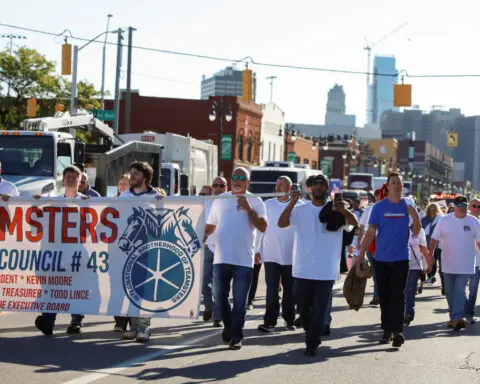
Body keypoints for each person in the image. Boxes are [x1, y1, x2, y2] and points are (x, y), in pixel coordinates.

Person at [278, 174, 357, 356]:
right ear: (310, 188)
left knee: (320, 310)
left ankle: (312, 342)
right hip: (302, 269)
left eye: (323, 184)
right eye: (315, 184)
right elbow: (281, 223)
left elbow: (354, 224)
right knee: (303, 308)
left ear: (327, 189)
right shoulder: (300, 209)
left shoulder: (336, 210)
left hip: (326, 270)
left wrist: (343, 210)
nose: (319, 186)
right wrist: (292, 202)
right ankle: (310, 331)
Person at [205, 167, 267, 350]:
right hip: (221, 256)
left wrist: (248, 209)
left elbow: (263, 227)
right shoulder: (221, 199)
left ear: (248, 182)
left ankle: (236, 335)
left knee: (240, 300)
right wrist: (201, 236)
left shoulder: (256, 200)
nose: (237, 180)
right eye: (234, 177)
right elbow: (211, 225)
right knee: (219, 297)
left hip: (243, 260)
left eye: (242, 177)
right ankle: (229, 326)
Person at [358, 172, 421, 348]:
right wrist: (361, 253)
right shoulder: (378, 208)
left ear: (402, 186)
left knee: (398, 295)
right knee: (385, 297)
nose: (396, 186)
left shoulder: (407, 206)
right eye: (393, 183)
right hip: (381, 259)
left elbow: (416, 231)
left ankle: (398, 331)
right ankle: (386, 331)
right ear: (388, 186)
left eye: (399, 183)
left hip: (401, 258)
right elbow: (370, 232)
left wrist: (415, 216)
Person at [33, 165, 89, 336]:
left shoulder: (89, 201)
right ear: (63, 180)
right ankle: (48, 321)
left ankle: (76, 321)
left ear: (80, 181)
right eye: (68, 177)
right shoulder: (52, 200)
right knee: (52, 286)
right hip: (55, 254)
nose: (71, 179)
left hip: (77, 253)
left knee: (77, 286)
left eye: (74, 177)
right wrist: (35, 203)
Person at [119, 161, 163, 342]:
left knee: (145, 289)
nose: (132, 177)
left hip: (149, 250)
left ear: (145, 177)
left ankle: (144, 327)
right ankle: (133, 326)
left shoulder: (156, 196)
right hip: (128, 252)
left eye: (136, 174)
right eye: (131, 173)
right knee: (130, 288)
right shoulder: (123, 196)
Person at [429, 196, 480, 331]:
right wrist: (430, 255)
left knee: (459, 290)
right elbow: (434, 238)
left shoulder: (474, 221)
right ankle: (454, 318)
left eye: (464, 206)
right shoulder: (444, 221)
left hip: (466, 264)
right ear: (455, 206)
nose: (462, 208)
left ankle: (457, 317)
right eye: (459, 206)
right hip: (448, 263)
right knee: (450, 292)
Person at [257, 176, 300, 333]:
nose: (278, 186)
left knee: (290, 290)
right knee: (272, 290)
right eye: (277, 183)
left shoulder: (299, 206)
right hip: (270, 255)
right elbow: (260, 229)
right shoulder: (267, 204)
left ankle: (289, 320)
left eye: (281, 184)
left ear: (289, 188)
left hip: (291, 256)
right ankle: (269, 322)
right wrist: (257, 249)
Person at [202, 177, 227, 327]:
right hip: (207, 248)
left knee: (219, 285)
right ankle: (209, 308)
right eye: (215, 185)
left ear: (226, 187)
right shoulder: (205, 203)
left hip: (223, 250)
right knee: (205, 284)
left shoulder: (230, 202)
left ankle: (218, 316)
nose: (218, 187)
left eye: (221, 185)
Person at [357, 188, 382, 305]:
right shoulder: (369, 209)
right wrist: (359, 243)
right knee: (376, 272)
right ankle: (377, 295)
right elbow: (362, 227)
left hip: (384, 242)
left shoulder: (390, 207)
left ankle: (382, 295)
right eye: (379, 195)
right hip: (371, 242)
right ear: (376, 197)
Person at [113, 173, 131, 333]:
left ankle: (134, 321)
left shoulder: (136, 202)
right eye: (121, 183)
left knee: (132, 286)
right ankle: (119, 321)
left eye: (126, 183)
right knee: (116, 286)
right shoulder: (110, 202)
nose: (123, 186)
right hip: (114, 250)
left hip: (132, 250)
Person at [404, 226, 429, 325]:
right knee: (399, 290)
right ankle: (399, 313)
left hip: (414, 265)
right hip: (398, 264)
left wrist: (426, 264)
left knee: (409, 290)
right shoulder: (395, 226)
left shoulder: (419, 230)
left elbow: (423, 247)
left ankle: (409, 313)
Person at [422, 203, 445, 293]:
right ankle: (431, 276)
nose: (432, 209)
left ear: (437, 209)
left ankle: (444, 286)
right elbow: (421, 230)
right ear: (428, 209)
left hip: (440, 245)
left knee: (442, 267)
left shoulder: (441, 219)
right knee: (430, 264)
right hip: (428, 244)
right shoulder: (424, 219)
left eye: (434, 208)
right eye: (430, 208)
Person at [465, 198, 480, 323]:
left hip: (477, 262)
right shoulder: (464, 220)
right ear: (469, 206)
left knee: (473, 289)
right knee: (460, 289)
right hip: (463, 260)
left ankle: (469, 313)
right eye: (474, 206)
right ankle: (463, 310)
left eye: (479, 207)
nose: (476, 209)